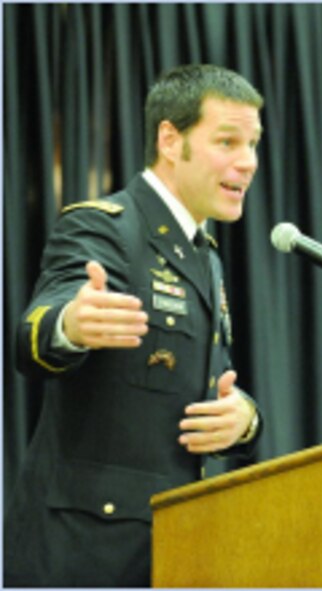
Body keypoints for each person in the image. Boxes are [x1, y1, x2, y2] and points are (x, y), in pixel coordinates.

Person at [4, 64, 264, 587]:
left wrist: (243, 419)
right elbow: (34, 334)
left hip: (172, 547)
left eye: (254, 143)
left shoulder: (204, 256)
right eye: (228, 141)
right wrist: (71, 324)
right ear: (171, 139)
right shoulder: (104, 225)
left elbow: (209, 380)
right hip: (84, 554)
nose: (249, 162)